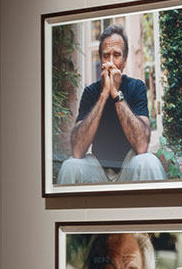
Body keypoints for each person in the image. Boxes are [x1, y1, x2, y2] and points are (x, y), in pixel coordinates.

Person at [58, 23, 167, 185]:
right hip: (97, 169)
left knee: (149, 162)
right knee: (70, 166)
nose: (110, 62)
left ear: (124, 61)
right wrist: (103, 95)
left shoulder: (136, 87)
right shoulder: (90, 92)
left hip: (130, 167)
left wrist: (116, 94)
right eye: (105, 55)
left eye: (116, 55)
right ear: (100, 59)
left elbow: (142, 145)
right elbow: (78, 150)